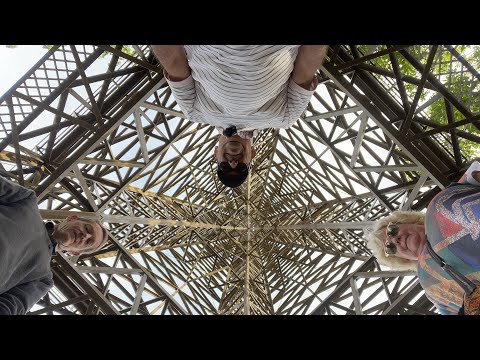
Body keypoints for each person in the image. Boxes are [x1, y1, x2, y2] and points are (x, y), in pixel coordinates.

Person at [150, 45, 329, 188]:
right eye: (241, 167)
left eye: (224, 167)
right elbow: (306, 65)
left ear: (216, 154)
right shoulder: (285, 118)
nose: (233, 163)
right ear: (252, 154)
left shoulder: (194, 112)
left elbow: (173, 60)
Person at [365, 161, 480, 315]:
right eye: (390, 248)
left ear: (408, 221)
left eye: (392, 231)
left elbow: (476, 171)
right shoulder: (432, 288)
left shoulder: (438, 204)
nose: (395, 240)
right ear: (401, 259)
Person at [0, 175, 109, 315]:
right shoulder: (26, 200)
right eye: (87, 229)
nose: (85, 235)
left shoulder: (42, 280)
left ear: (75, 253)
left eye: (88, 241)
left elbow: (8, 308)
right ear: (72, 217)